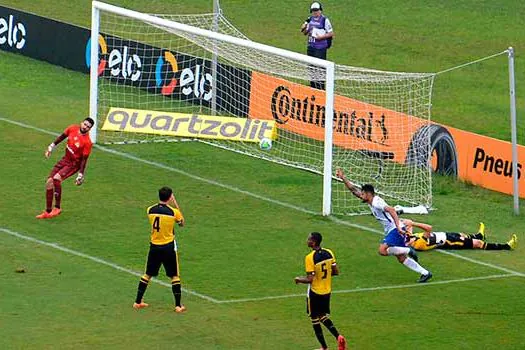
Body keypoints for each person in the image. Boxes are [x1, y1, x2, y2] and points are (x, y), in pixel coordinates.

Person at [335, 168, 433, 283]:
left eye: (362, 194)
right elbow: (353, 190)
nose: (360, 195)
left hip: (395, 229)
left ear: (368, 194)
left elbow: (391, 210)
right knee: (401, 258)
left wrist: (397, 227)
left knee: (382, 250)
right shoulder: (370, 201)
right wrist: (343, 178)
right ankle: (426, 273)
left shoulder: (376, 202)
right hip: (393, 229)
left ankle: (408, 250)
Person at [133, 186, 186, 313]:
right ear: (169, 197)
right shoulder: (173, 212)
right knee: (174, 275)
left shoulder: (150, 210)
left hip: (154, 246)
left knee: (148, 274)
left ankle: (137, 302)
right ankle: (178, 306)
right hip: (168, 247)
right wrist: (175, 203)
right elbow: (182, 223)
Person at [295, 232, 347, 350]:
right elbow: (336, 271)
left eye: (308, 239)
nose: (307, 241)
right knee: (322, 316)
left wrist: (298, 279)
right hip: (327, 291)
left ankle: (324, 347)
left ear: (313, 242)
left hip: (314, 292)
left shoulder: (310, 258)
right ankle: (339, 337)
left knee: (314, 319)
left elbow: (310, 279)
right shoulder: (329, 253)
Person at [36, 117, 94, 219]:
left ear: (90, 129)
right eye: (85, 124)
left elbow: (84, 160)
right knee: (49, 182)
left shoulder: (87, 142)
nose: (85, 127)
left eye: (88, 127)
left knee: (56, 179)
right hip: (65, 160)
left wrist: (80, 175)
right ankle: (48, 211)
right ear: (81, 123)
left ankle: (57, 208)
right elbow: (62, 137)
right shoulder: (72, 128)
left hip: (73, 164)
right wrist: (51, 147)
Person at [402, 220, 518, 251]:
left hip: (445, 235)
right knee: (477, 244)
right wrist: (413, 223)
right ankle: (506, 246)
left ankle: (479, 235)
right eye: (409, 238)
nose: (410, 236)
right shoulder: (419, 244)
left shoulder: (412, 238)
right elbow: (428, 228)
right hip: (450, 242)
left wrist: (404, 223)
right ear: (410, 244)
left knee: (462, 234)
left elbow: (408, 226)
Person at [301, 2, 334, 90]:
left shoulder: (324, 20)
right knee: (311, 67)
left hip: (320, 48)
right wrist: (303, 28)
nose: (315, 12)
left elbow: (331, 33)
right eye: (313, 11)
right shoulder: (309, 19)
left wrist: (321, 37)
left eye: (316, 10)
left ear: (320, 10)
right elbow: (305, 33)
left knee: (320, 69)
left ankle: (320, 88)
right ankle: (313, 87)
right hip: (311, 46)